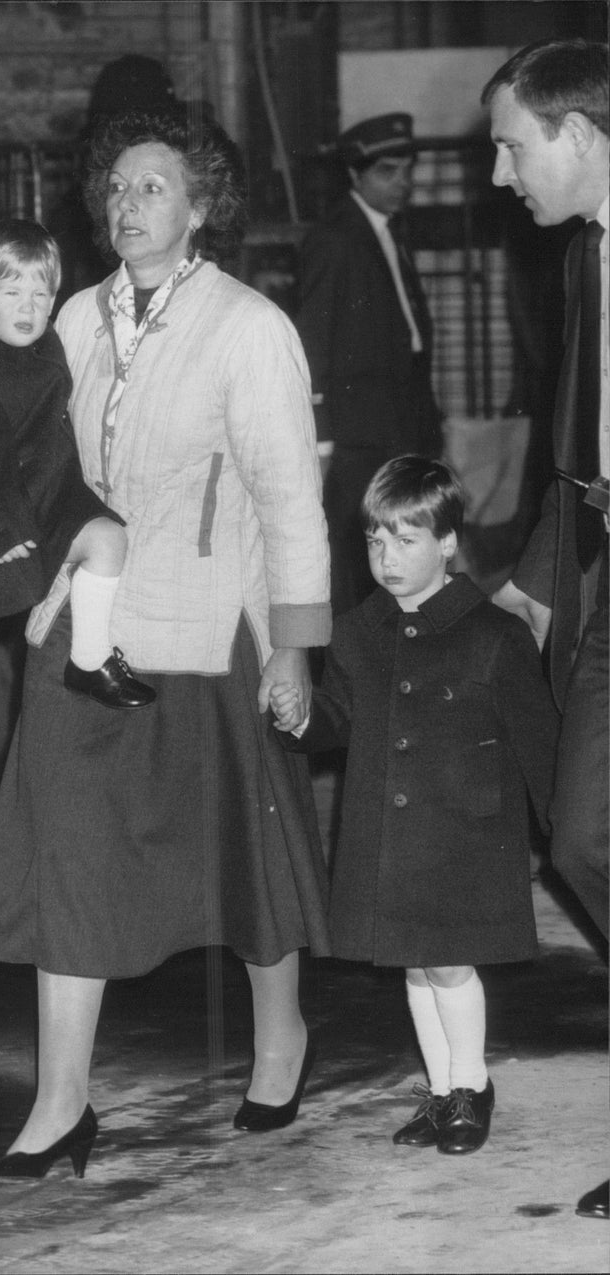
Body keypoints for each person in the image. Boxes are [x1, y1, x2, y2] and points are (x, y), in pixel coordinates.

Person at [0, 104, 333, 1180]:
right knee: (68, 850)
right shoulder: (67, 317)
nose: (127, 204)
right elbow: (23, 462)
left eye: (152, 186)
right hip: (86, 628)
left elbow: (289, 498)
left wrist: (295, 647)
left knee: (242, 857)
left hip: (213, 627)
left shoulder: (249, 326)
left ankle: (278, 1041)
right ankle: (60, 1101)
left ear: (201, 205)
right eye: (116, 188)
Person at [270, 456, 558, 1154]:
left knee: (451, 964)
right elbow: (335, 718)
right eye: (374, 539)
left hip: (464, 835)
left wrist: (567, 833)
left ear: (449, 542)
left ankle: (471, 1086)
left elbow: (541, 746)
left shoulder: (495, 634)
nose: (386, 557)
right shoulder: (357, 631)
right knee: (415, 965)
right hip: (387, 835)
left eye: (406, 540)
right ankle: (439, 1091)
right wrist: (301, 715)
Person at [481, 39, 609, 1218]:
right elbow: (579, 452)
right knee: (578, 840)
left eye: (511, 146)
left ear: (575, 135)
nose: (497, 173)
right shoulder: (581, 260)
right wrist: (526, 586)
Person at [0, 218, 154, 709]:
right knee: (106, 541)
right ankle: (89, 662)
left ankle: (88, 659)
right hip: (1, 513)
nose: (30, 309)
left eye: (43, 294)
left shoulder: (40, 343)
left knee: (110, 539)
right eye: (12, 293)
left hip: (48, 490)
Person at [295, 113, 443, 615]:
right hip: (360, 436)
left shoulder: (385, 232)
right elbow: (312, 343)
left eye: (407, 170)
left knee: (403, 562)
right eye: (387, 172)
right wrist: (322, 438)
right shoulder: (334, 238)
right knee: (363, 568)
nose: (401, 184)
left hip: (401, 424)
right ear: (355, 176)